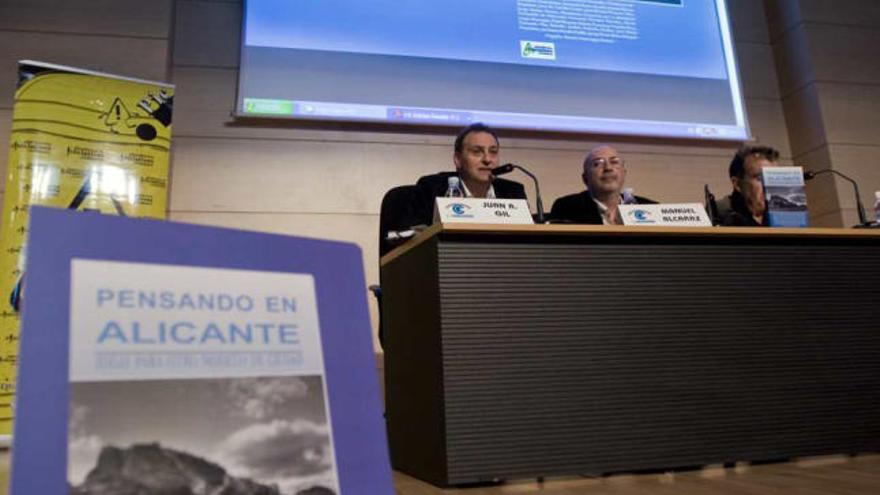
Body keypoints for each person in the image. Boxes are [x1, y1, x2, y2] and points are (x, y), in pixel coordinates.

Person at [413, 123, 527, 221]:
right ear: (458, 159)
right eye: (477, 151)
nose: (487, 159)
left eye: (493, 152)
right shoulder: (432, 190)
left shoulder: (513, 193)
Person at [550, 145, 654, 225]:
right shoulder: (568, 208)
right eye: (597, 164)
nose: (608, 168)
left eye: (614, 162)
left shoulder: (650, 208)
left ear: (624, 173)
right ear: (585, 178)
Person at [717, 145, 780, 227]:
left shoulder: (788, 215)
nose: (769, 184)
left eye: (775, 177)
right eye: (760, 178)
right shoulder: (719, 213)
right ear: (737, 184)